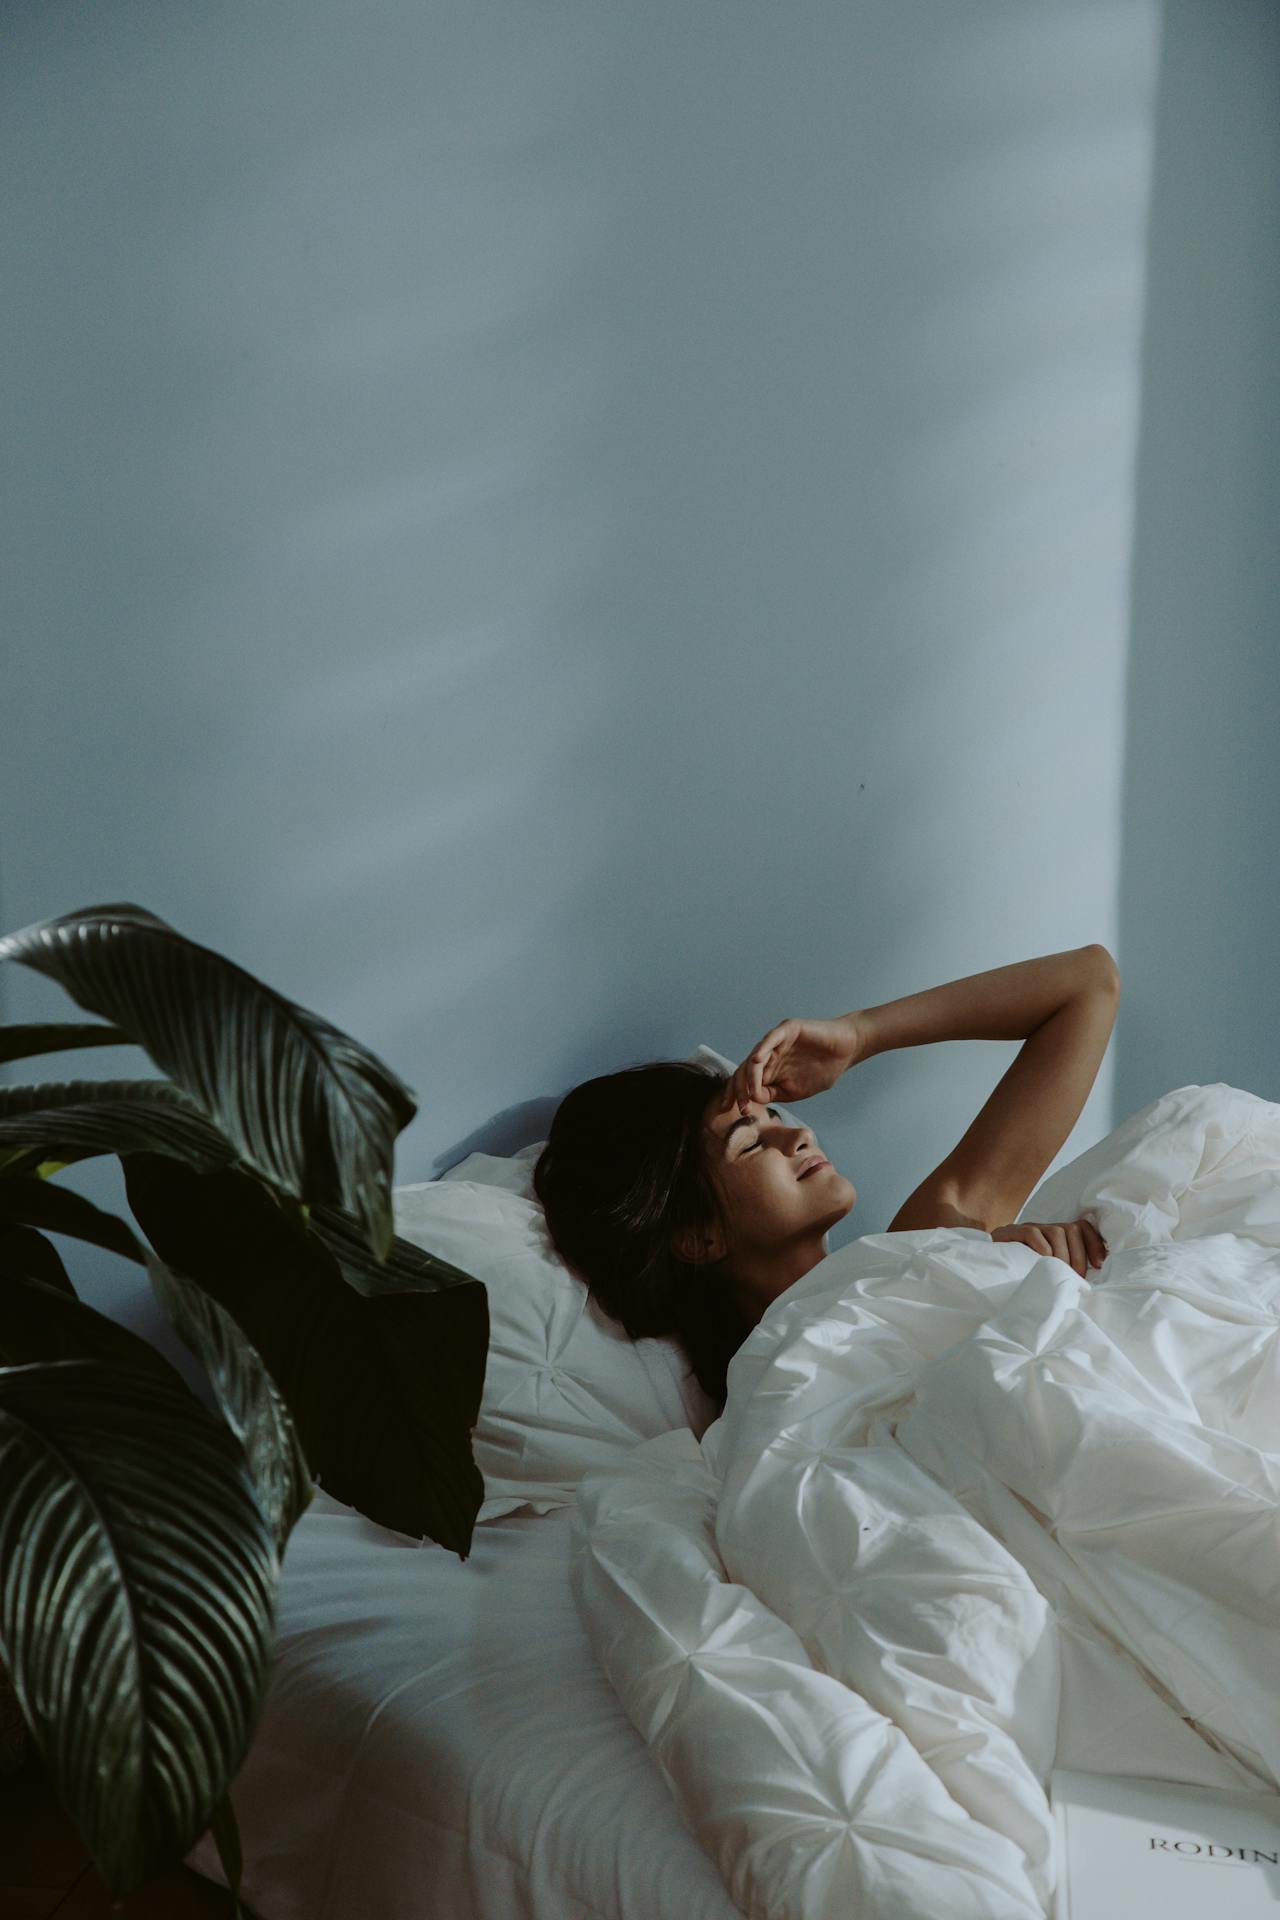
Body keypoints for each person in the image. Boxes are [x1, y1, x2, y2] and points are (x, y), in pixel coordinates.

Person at [534, 947, 1118, 1411]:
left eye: (774, 1117)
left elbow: (1089, 982)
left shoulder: (929, 1244)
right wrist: (995, 1307)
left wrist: (861, 1035)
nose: (797, 1136)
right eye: (751, 1144)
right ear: (697, 1238)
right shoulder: (769, 1395)